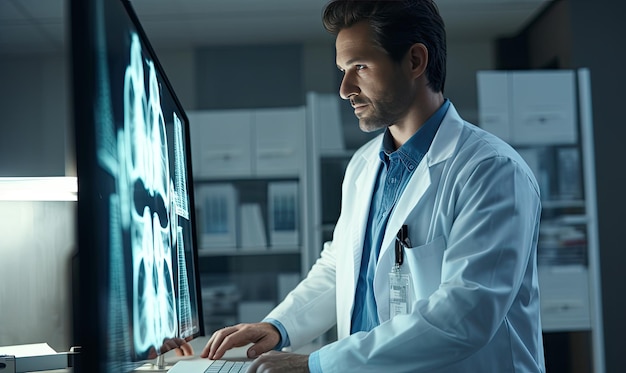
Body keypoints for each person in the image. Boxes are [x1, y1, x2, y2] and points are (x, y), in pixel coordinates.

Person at [201, 0, 546, 372]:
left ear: (415, 61)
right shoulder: (364, 165)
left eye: (360, 67)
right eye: (343, 70)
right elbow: (340, 265)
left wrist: (317, 365)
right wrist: (278, 326)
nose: (345, 88)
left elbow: (464, 317)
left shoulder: (491, 170)